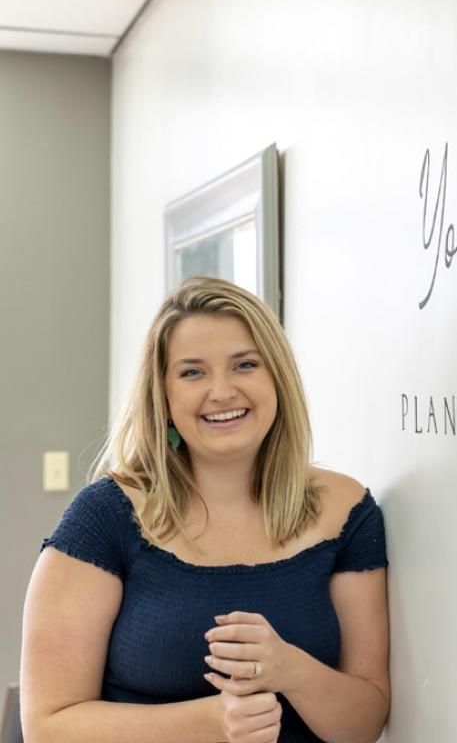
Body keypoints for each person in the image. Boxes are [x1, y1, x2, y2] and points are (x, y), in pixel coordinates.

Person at [20, 277, 389, 743]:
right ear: (165, 396)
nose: (221, 392)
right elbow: (47, 727)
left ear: (277, 376)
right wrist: (210, 722)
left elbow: (365, 722)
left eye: (245, 364)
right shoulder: (105, 516)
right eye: (192, 372)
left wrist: (290, 669)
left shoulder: (346, 512)